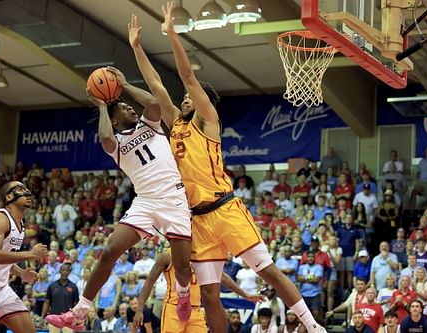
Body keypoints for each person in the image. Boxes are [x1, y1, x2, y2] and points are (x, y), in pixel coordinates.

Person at [128, 8, 325, 333]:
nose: (185, 99)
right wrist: (136, 48)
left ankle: (312, 325)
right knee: (209, 296)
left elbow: (187, 78)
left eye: (190, 97)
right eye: (185, 99)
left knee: (268, 271)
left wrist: (172, 35)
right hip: (197, 220)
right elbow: (157, 87)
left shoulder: (208, 121)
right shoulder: (176, 123)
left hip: (225, 209)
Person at [45, 68, 193, 329]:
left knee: (182, 268)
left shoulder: (150, 124)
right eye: (124, 108)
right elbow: (104, 137)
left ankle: (183, 293)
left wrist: (123, 85)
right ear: (114, 120)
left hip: (174, 197)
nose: (130, 109)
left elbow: (153, 103)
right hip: (145, 201)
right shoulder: (115, 143)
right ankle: (80, 311)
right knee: (111, 250)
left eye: (128, 106)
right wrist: (103, 106)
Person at [0, 181, 48, 333]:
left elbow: (6, 258)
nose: (27, 192)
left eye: (27, 189)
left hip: (2, 289)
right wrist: (30, 254)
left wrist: (21, 273)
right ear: (9, 196)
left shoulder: (20, 225)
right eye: (21, 189)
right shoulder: (0, 219)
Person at [133, 248, 263, 333]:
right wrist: (139, 309)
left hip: (195, 309)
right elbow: (149, 281)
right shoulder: (167, 256)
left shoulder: (201, 256)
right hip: (173, 307)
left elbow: (222, 277)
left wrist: (245, 295)